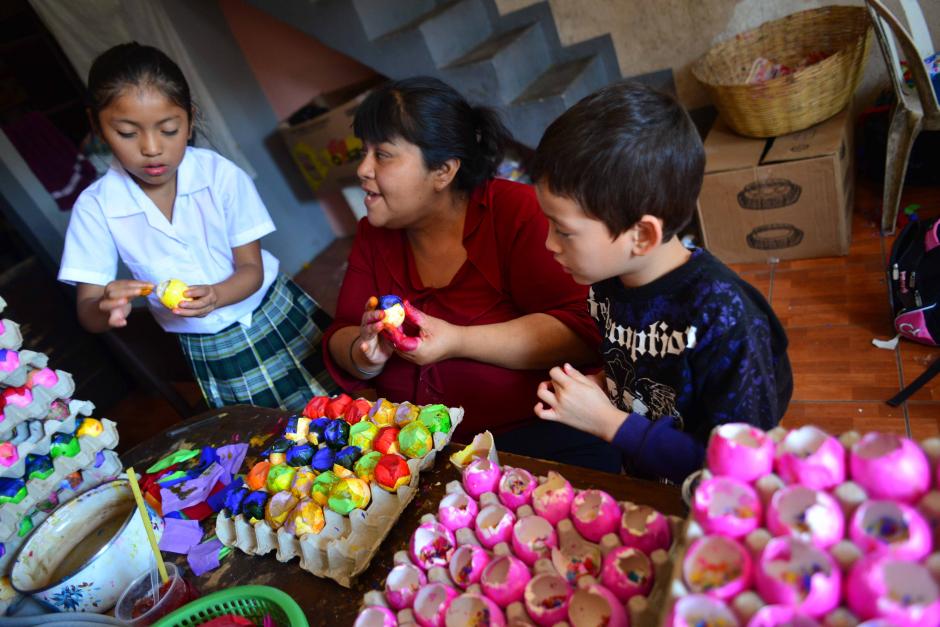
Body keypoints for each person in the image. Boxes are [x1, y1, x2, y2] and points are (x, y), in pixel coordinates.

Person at [323, 76, 620, 471]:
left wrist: (458, 341)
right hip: (416, 455)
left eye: (384, 155)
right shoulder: (374, 233)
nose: (362, 169)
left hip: (535, 444)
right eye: (364, 152)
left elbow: (582, 331)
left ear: (443, 171)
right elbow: (341, 332)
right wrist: (365, 355)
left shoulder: (515, 213)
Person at [530, 81, 793, 484]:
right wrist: (603, 387)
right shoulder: (607, 280)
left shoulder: (722, 315)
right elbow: (643, 367)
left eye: (563, 231)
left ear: (642, 236)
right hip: (644, 476)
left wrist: (610, 423)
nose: (548, 244)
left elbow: (743, 470)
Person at [58, 42, 337, 411]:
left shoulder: (219, 175)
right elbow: (89, 314)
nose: (152, 148)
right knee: (274, 442)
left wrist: (218, 295)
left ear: (189, 120)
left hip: (275, 315)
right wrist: (106, 305)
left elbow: (251, 270)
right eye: (128, 133)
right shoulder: (95, 208)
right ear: (96, 126)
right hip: (211, 348)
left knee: (340, 407)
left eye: (169, 129)